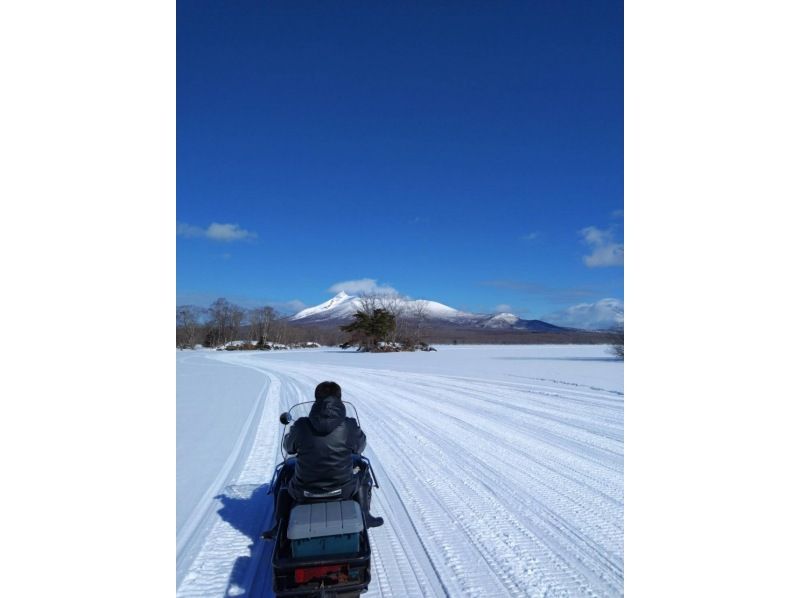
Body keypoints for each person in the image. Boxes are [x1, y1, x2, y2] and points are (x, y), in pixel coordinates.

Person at [262, 381, 383, 540]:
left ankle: (279, 525)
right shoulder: (349, 425)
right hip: (343, 490)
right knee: (363, 472)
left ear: (316, 399)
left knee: (284, 482)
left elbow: (288, 448)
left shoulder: (301, 425)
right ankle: (365, 515)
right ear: (339, 399)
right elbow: (359, 448)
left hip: (304, 491)